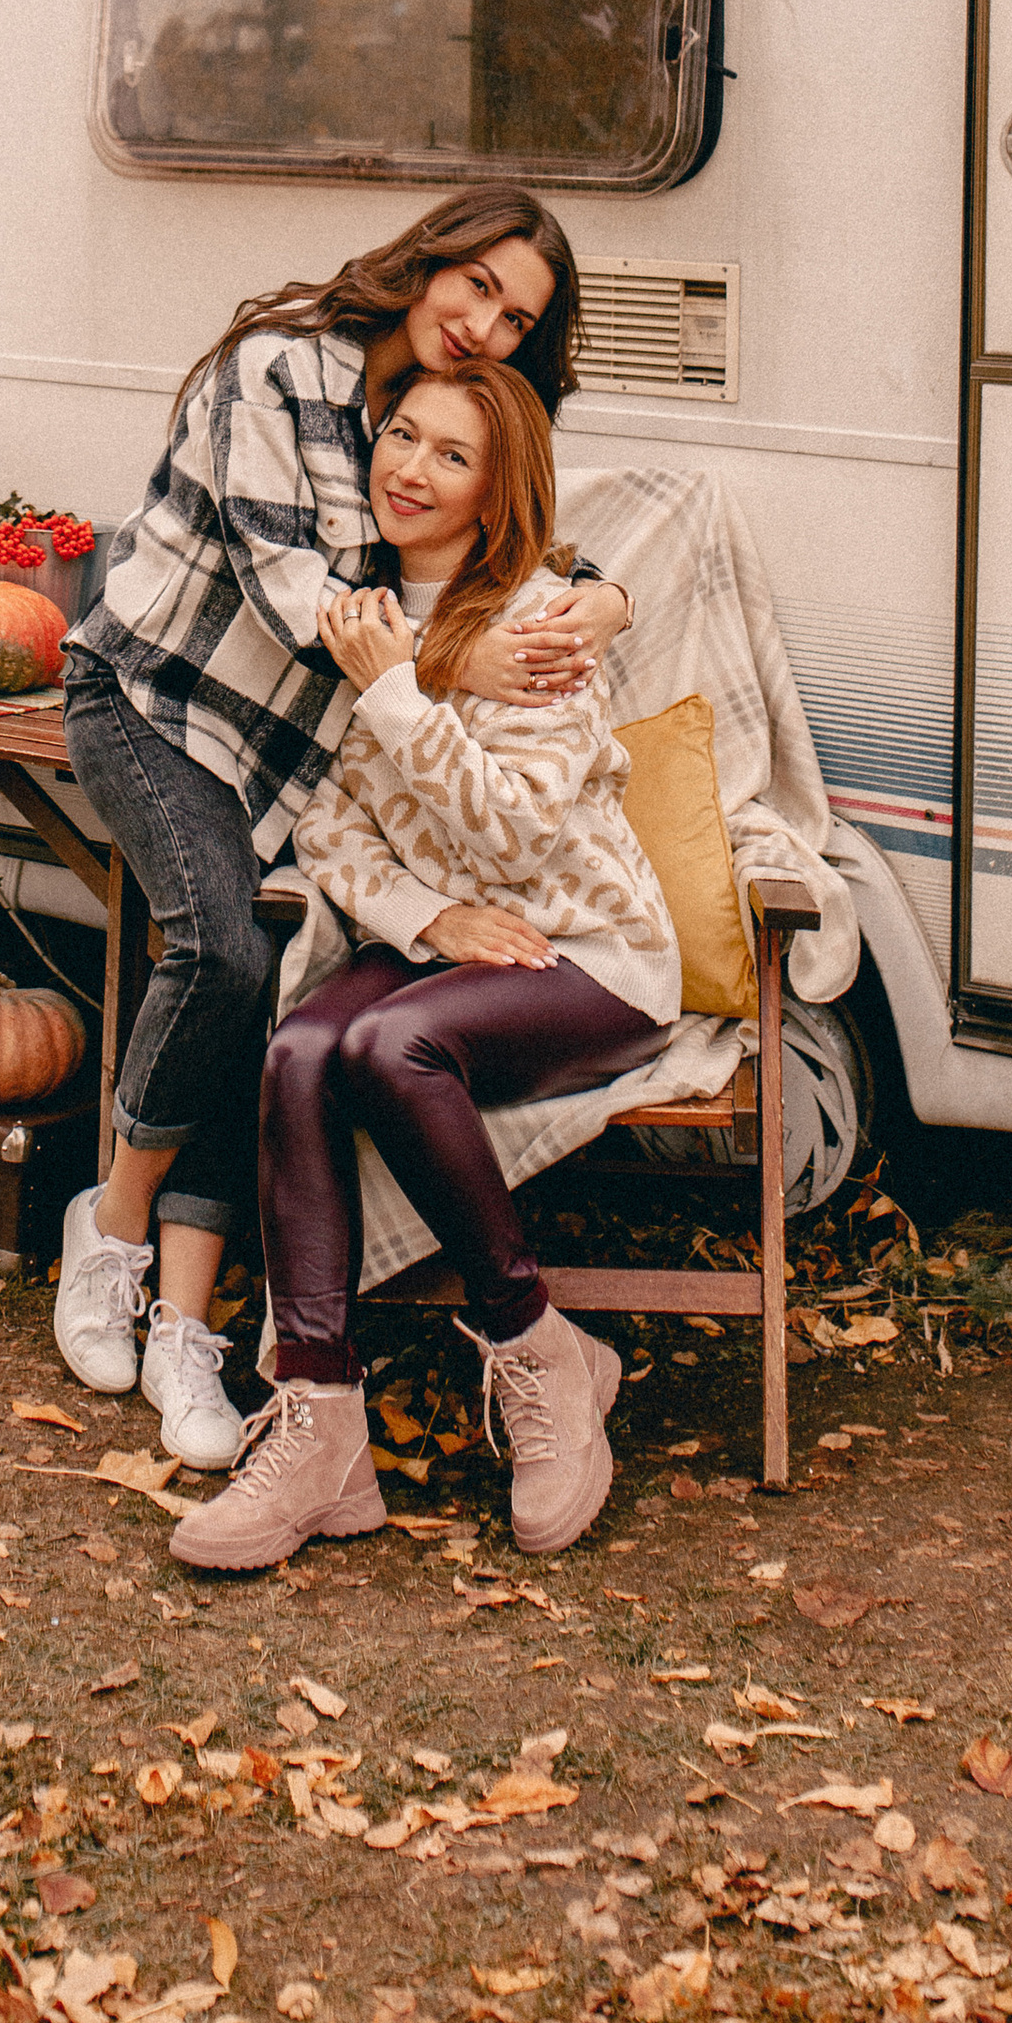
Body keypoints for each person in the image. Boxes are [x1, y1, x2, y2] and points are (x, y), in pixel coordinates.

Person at [52, 188, 632, 1470]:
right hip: (159, 699)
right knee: (220, 950)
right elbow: (293, 595)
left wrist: (605, 600)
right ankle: (113, 1224)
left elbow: (517, 532)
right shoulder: (276, 370)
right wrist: (468, 661)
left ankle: (186, 1328)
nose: (483, 324)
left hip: (295, 759)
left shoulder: (429, 409)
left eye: (516, 318)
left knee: (266, 984)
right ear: (429, 260)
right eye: (475, 285)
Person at [167, 357, 680, 1573]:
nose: (409, 469)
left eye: (453, 455)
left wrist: (396, 692)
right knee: (302, 1047)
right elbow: (329, 824)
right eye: (400, 435)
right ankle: (321, 1424)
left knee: (391, 1044)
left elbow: (515, 832)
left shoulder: (544, 623)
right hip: (443, 945)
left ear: (498, 490)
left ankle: (541, 1350)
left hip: (588, 953)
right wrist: (425, 914)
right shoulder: (353, 616)